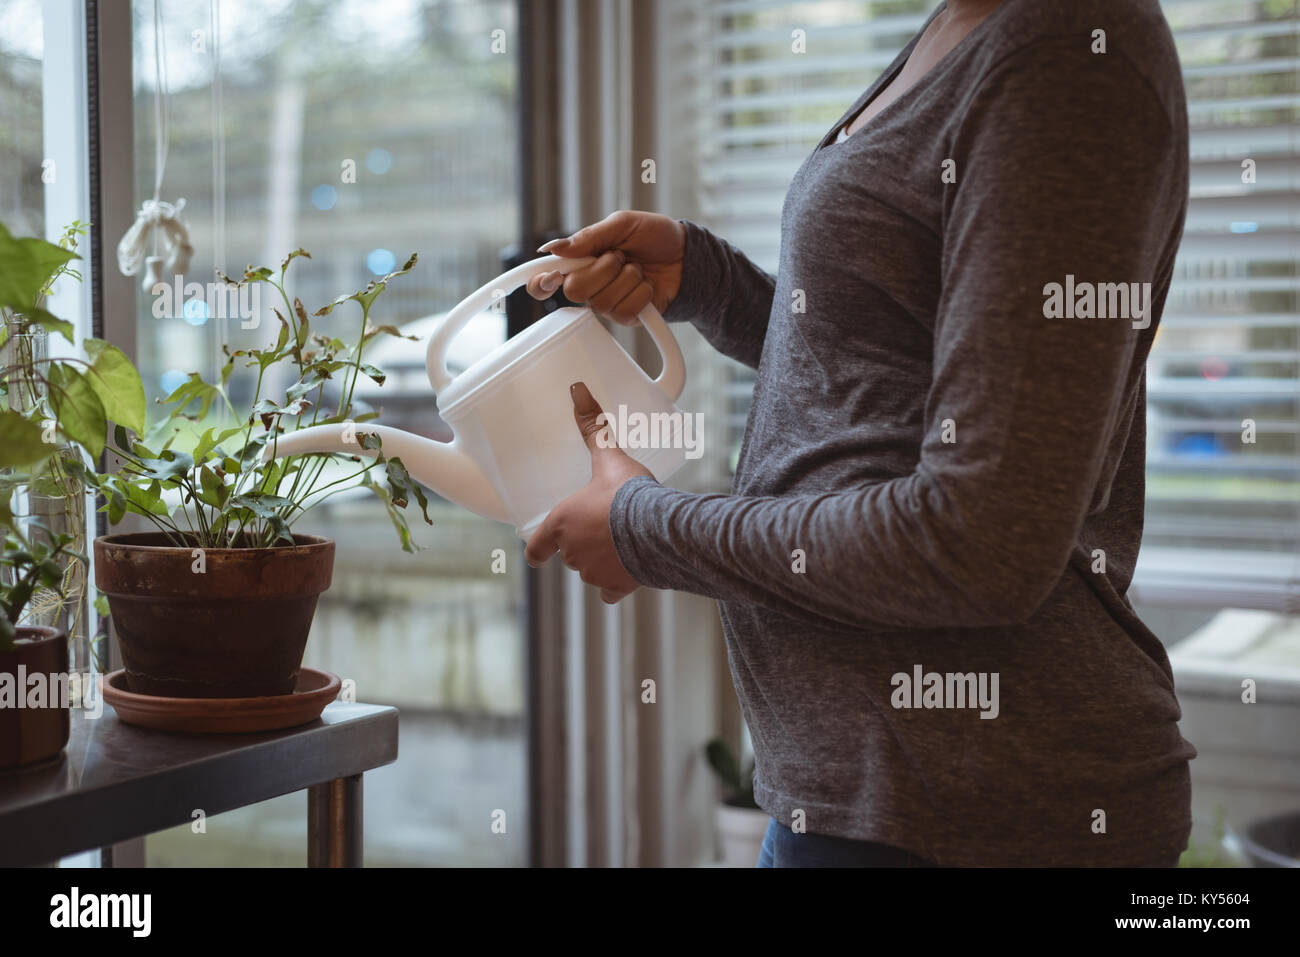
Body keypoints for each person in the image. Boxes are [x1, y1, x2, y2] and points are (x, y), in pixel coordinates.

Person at [523, 0, 1197, 867]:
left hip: (978, 815)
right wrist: (713, 282)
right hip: (852, 795)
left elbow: (978, 542)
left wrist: (644, 529)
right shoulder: (963, 25)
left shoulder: (1070, 54)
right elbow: (891, 374)